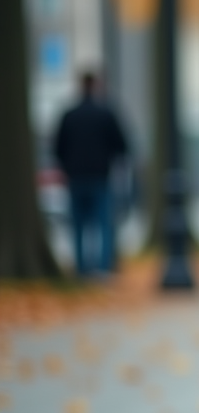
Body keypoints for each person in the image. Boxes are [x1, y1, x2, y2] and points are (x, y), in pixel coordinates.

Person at [52, 71, 130, 278]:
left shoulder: (69, 115)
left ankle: (81, 268)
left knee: (78, 225)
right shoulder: (105, 114)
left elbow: (58, 147)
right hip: (100, 177)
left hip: (75, 177)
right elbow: (122, 145)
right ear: (95, 86)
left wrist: (66, 167)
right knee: (103, 223)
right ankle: (103, 269)